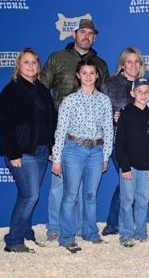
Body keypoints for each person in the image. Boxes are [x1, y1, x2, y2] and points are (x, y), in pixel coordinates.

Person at [41, 18, 110, 242]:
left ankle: (86, 230)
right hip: (66, 136)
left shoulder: (100, 64)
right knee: (63, 189)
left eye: (91, 33)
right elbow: (42, 92)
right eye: (83, 32)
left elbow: (108, 121)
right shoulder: (57, 59)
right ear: (74, 34)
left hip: (95, 145)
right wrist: (54, 146)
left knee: (88, 194)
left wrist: (106, 153)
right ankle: (57, 229)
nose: (86, 36)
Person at [51, 57, 113, 252]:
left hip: (96, 150)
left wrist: (105, 156)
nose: (88, 77)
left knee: (90, 195)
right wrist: (57, 158)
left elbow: (108, 130)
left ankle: (90, 232)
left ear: (97, 75)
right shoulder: (69, 101)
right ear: (78, 75)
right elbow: (60, 130)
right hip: (73, 149)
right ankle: (67, 237)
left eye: (92, 73)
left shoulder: (104, 100)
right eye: (84, 73)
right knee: (70, 196)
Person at [0, 48, 55, 253]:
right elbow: (6, 125)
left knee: (30, 195)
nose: (31, 66)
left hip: (40, 150)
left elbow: (50, 120)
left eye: (34, 62)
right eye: (26, 62)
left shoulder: (41, 89)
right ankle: (13, 241)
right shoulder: (10, 91)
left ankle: (26, 233)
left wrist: (51, 146)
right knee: (30, 195)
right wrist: (13, 153)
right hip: (21, 152)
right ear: (18, 66)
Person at [101, 47, 146, 236]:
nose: (133, 65)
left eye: (137, 62)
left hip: (140, 143)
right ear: (122, 65)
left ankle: (120, 224)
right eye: (129, 61)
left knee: (129, 183)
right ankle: (114, 224)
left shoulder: (145, 87)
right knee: (126, 181)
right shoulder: (110, 85)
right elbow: (101, 113)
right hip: (118, 141)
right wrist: (113, 117)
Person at [115, 78, 149, 247]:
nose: (143, 95)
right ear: (132, 93)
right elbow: (120, 142)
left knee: (143, 200)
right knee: (127, 200)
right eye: (139, 91)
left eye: (147, 91)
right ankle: (126, 233)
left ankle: (140, 231)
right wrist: (124, 166)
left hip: (146, 168)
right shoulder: (126, 113)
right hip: (129, 167)